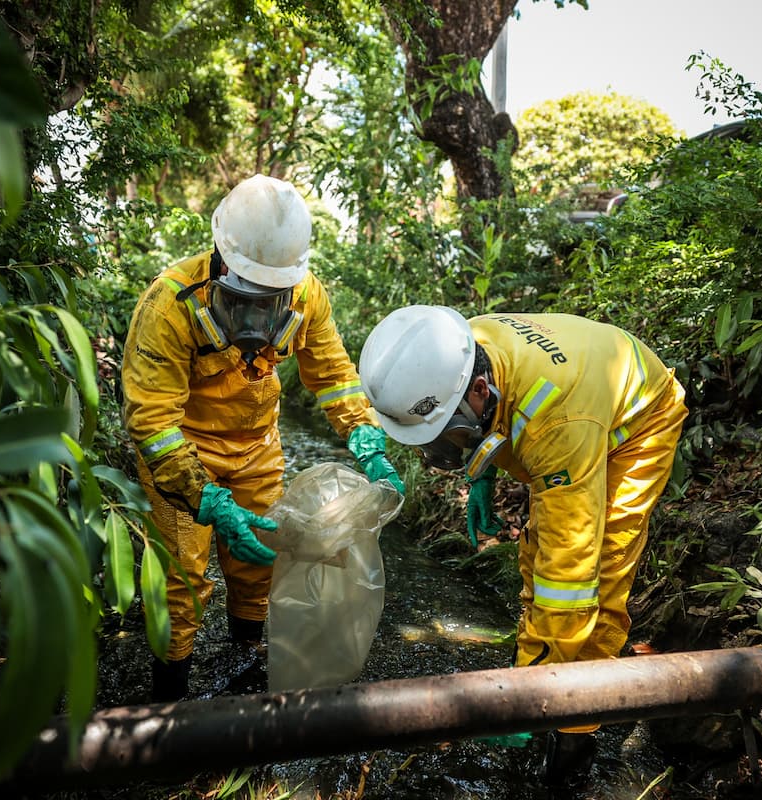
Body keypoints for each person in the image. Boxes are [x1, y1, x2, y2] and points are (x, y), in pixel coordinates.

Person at [358, 306, 686, 790]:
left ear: (476, 390)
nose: (440, 452)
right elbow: (493, 414)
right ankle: (545, 669)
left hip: (634, 423)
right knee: (537, 550)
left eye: (448, 436)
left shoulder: (556, 419)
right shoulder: (461, 352)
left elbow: (569, 572)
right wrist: (483, 478)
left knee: (597, 573)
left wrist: (526, 695)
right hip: (573, 407)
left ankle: (575, 734)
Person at [121, 174, 403, 703]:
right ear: (221, 263)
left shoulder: (306, 295)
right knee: (180, 583)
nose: (257, 316)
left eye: (270, 300)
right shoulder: (168, 306)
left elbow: (333, 376)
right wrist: (205, 497)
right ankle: (167, 709)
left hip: (256, 449)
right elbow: (153, 423)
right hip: (183, 455)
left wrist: (366, 438)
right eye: (245, 299)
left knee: (259, 564)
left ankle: (246, 676)